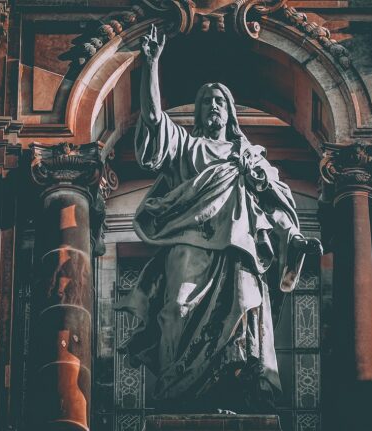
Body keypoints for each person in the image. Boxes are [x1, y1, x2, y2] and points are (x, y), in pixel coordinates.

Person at [115, 25, 322, 413]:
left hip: (237, 249)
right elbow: (155, 120)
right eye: (206, 101)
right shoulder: (186, 147)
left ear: (229, 112)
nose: (213, 106)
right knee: (177, 308)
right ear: (198, 112)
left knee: (240, 316)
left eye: (219, 101)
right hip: (189, 243)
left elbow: (275, 202)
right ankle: (177, 394)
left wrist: (293, 235)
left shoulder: (248, 156)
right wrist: (152, 65)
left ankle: (232, 396)